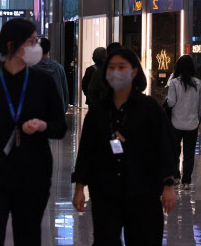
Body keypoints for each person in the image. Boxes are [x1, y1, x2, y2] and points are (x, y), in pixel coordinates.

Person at [72, 48, 177, 245]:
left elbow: (164, 146)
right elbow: (86, 150)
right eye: (111, 67)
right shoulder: (98, 111)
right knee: (105, 240)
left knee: (143, 238)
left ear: (134, 71)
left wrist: (168, 185)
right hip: (105, 191)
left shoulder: (150, 108)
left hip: (143, 189)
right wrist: (79, 187)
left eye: (122, 67)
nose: (115, 72)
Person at [0, 18, 67, 245]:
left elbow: (59, 126)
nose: (36, 48)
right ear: (12, 45)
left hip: (33, 172)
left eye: (37, 42)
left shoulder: (42, 81)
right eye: (31, 42)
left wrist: (43, 126)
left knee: (29, 234)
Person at [167, 55, 201, 190]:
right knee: (189, 153)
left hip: (176, 122)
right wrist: (198, 118)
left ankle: (176, 176)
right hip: (192, 123)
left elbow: (171, 102)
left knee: (175, 151)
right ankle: (187, 181)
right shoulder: (198, 83)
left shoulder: (174, 82)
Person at [33, 37, 70, 113]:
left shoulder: (30, 69)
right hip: (55, 112)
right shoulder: (59, 68)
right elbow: (65, 93)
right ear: (49, 49)